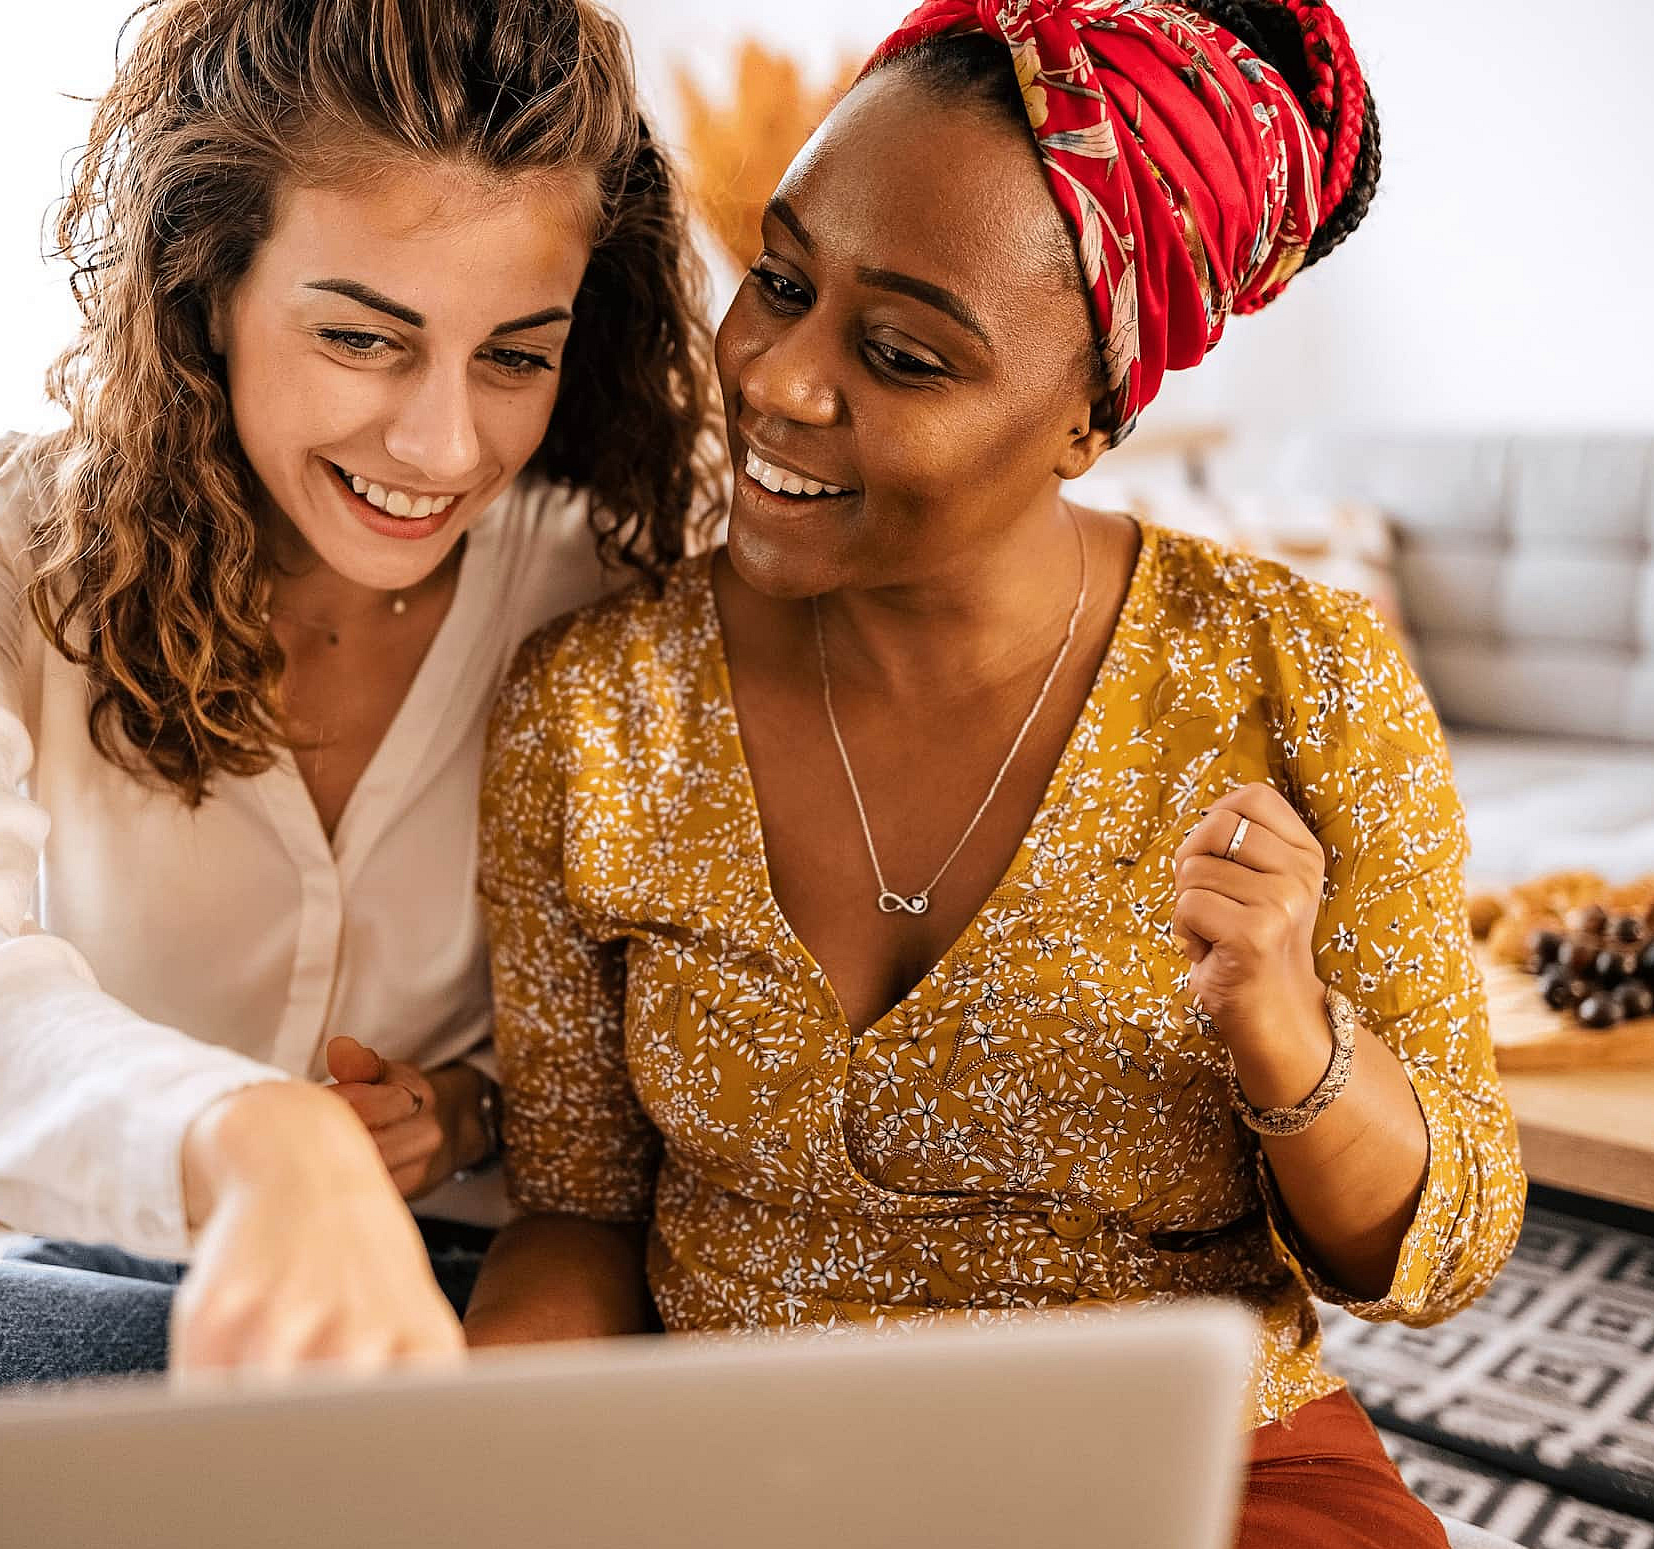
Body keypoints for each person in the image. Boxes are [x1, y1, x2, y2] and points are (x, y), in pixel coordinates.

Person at [0, 0, 715, 1540]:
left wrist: (468, 1111)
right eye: (362, 336)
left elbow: (697, 1039)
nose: (446, 444)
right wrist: (259, 1143)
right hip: (123, 1295)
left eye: (514, 355)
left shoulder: (614, 579)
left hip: (491, 1305)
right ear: (204, 283)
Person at [461, 2, 1524, 1545]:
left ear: (1092, 416)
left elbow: (1446, 1245)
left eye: (900, 352)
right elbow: (576, 1211)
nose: (775, 379)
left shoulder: (1304, 681)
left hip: (1191, 1472)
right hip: (747, 1475)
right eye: (777, 278)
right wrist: (477, 1456)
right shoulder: (595, 706)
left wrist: (1290, 1038)